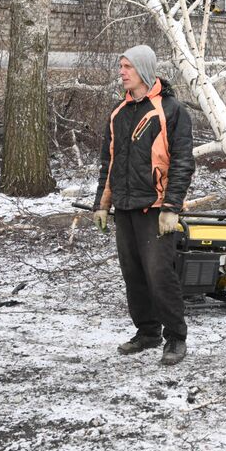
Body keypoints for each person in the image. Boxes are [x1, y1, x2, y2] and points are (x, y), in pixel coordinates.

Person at [93, 45, 195, 365]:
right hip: (125, 207)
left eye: (128, 67)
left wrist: (171, 207)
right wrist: (102, 204)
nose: (122, 72)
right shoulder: (118, 113)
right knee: (133, 274)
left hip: (156, 208)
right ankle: (147, 332)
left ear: (144, 71)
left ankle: (176, 337)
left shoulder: (171, 110)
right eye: (121, 66)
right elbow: (107, 163)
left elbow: (182, 163)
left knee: (159, 273)